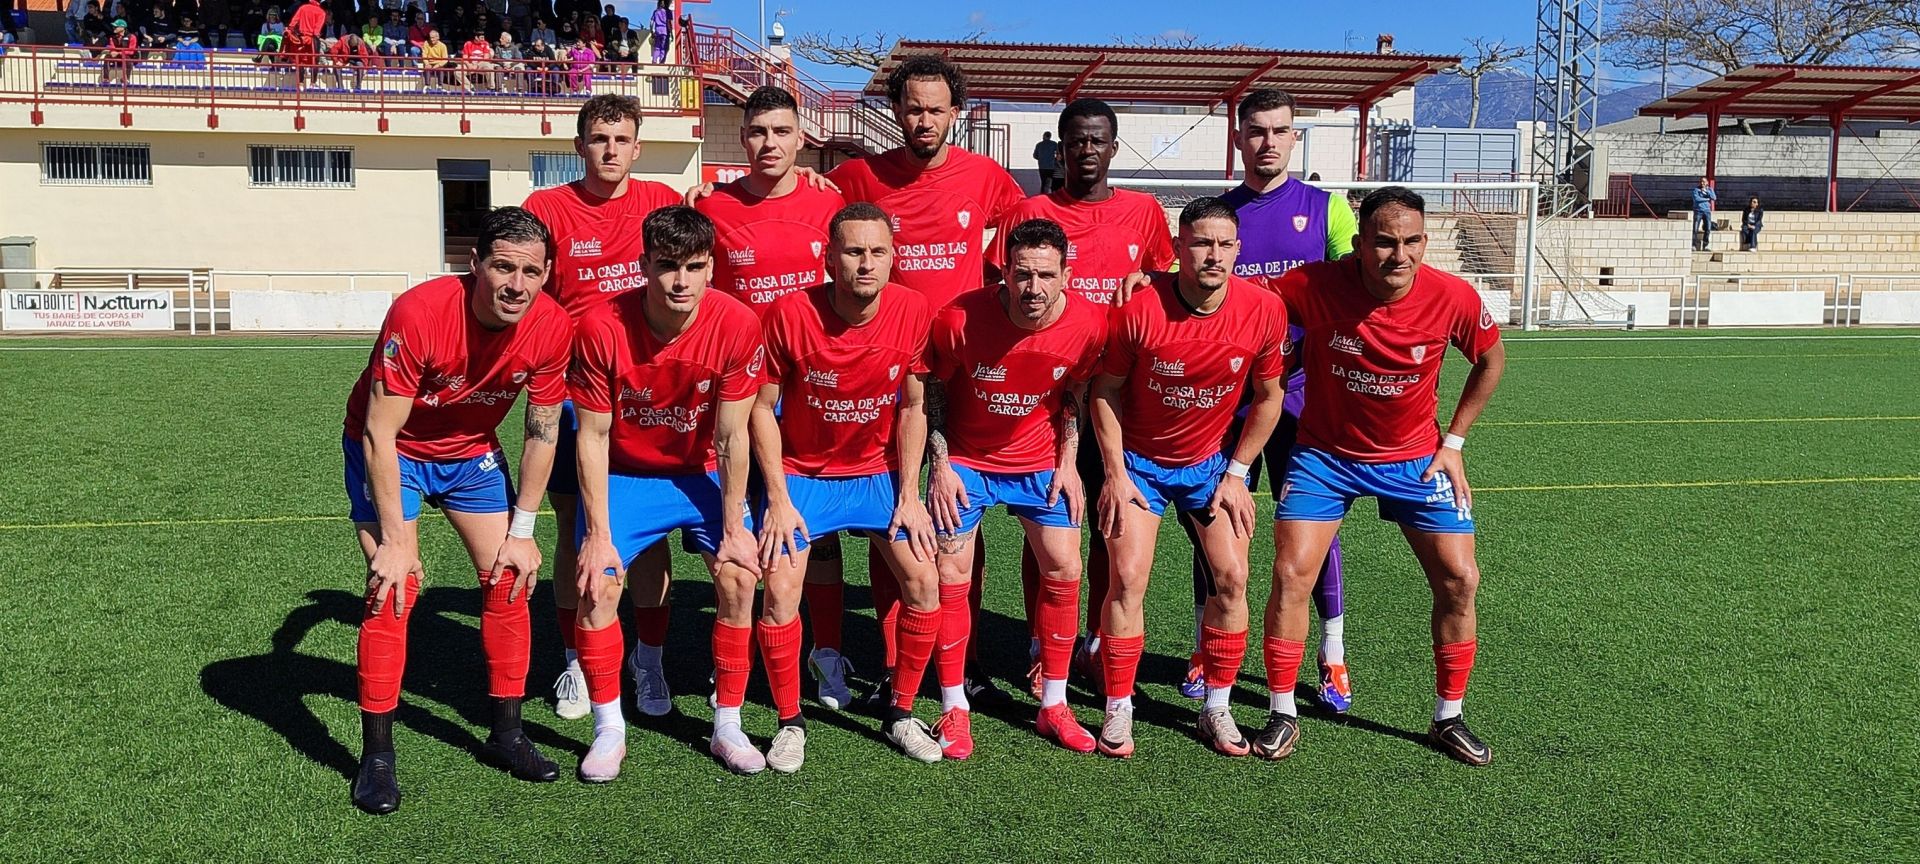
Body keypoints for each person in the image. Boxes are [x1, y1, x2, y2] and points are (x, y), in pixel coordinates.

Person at [1258, 186, 1506, 766]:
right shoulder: (1313, 284)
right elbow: (1247, 305)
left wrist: (1456, 441)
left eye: (1413, 241)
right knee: (1292, 574)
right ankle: (1281, 711)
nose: (1400, 256)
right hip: (1325, 456)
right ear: (1360, 244)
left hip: (1417, 459)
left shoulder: (1453, 296)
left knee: (1460, 580)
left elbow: (1491, 360)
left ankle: (1449, 717)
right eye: (1385, 242)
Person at [343, 206, 575, 815]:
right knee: (395, 587)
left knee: (509, 579)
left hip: (470, 453)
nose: (514, 284)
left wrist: (524, 531)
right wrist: (395, 541)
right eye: (501, 266)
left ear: (547, 274)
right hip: (391, 450)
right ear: (473, 265)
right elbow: (378, 433)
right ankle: (378, 756)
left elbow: (542, 432)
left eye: (530, 271)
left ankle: (506, 734)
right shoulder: (419, 313)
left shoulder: (552, 327)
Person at [824, 54, 1023, 710]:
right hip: (888, 370)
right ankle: (893, 656)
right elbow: (807, 221)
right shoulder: (858, 176)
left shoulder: (987, 177)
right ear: (895, 111)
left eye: (937, 109)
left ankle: (959, 660)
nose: (925, 120)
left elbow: (1021, 237)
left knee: (963, 510)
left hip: (963, 370)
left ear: (955, 114)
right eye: (913, 108)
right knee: (897, 510)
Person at [570, 205, 768, 778]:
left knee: (738, 574)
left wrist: (734, 527)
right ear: (643, 265)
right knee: (598, 585)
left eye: (695, 266)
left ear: (712, 269)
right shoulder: (601, 326)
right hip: (627, 473)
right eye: (666, 266)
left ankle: (727, 724)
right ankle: (610, 729)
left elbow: (732, 435)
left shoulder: (736, 323)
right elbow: (593, 436)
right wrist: (599, 537)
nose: (681, 281)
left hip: (699, 471)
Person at [986, 97, 1173, 700]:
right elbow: (1001, 291)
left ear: (1114, 147)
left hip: (1119, 400)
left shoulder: (1143, 213)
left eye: (1097, 141)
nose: (1085, 151)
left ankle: (1092, 641)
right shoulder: (1030, 210)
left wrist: (1148, 285)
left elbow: (1163, 285)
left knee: (1106, 526)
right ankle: (1042, 643)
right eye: (1075, 141)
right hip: (1044, 400)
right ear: (1058, 148)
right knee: (1048, 525)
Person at [1089, 196, 1288, 759]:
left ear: (1238, 250)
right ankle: (1119, 707)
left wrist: (1238, 472)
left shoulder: (1263, 310)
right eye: (1200, 243)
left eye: (1225, 244)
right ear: (1177, 248)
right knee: (1127, 578)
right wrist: (1114, 472)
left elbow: (1269, 397)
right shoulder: (1139, 308)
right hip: (1141, 468)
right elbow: (1103, 391)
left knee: (1232, 578)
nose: (1213, 255)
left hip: (1211, 467)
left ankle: (1217, 706)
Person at [752, 202, 948, 768]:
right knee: (780, 593)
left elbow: (913, 405)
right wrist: (779, 499)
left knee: (924, 584)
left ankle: (901, 713)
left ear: (894, 257)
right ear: (829, 256)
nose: (866, 263)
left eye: (877, 252)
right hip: (804, 477)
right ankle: (790, 723)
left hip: (877, 476)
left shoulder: (913, 311)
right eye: (854, 251)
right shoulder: (789, 313)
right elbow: (762, 411)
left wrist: (909, 494)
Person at [1194, 87, 1361, 709]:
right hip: (1224, 403)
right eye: (1256, 131)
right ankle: (1201, 644)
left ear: (1296, 138)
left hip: (1302, 401)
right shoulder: (1217, 217)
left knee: (1312, 531)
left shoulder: (1327, 210)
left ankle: (1333, 653)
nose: (1268, 142)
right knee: (1213, 522)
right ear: (1238, 139)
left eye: (1280, 131)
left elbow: (1354, 291)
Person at [520, 95, 683, 723]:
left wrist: (811, 170)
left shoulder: (661, 201)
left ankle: (650, 657)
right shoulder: (547, 209)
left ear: (637, 147)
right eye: (597, 138)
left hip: (648, 396)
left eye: (621, 138)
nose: (609, 149)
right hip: (568, 394)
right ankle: (576, 659)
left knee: (649, 535)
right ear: (580, 145)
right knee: (575, 531)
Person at [925, 218, 1110, 759]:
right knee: (949, 573)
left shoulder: (1089, 325)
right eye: (1022, 275)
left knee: (1065, 567)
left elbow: (1074, 388)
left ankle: (1054, 704)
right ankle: (954, 706)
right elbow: (934, 391)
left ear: (1066, 276)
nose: (1034, 289)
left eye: (1046, 275)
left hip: (1039, 464)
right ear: (1003, 271)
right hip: (966, 461)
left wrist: (1069, 461)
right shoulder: (959, 319)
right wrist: (940, 466)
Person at [101, 18, 138, 83]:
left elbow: (131, 51)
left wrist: (119, 53)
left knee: (127, 59)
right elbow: (112, 48)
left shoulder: (132, 37)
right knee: (107, 57)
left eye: (116, 27)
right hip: (117, 56)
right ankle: (106, 78)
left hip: (128, 57)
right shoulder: (112, 37)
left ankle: (126, 78)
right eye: (113, 26)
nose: (113, 28)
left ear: (122, 27)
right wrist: (113, 52)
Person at [1692, 177, 1717, 251]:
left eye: (1704, 182)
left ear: (1707, 183)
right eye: (1701, 182)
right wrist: (1707, 199)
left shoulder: (1709, 190)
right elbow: (1697, 199)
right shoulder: (1696, 190)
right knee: (1695, 228)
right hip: (1698, 210)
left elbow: (1714, 198)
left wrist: (1707, 192)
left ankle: (1705, 245)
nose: (1702, 183)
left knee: (1708, 228)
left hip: (1707, 211)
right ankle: (1693, 245)